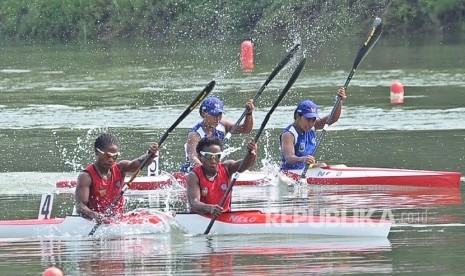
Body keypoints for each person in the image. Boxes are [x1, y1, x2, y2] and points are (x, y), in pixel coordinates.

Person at [75, 133, 159, 223]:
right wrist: (95, 216)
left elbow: (141, 162)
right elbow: (80, 207)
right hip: (95, 222)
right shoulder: (86, 177)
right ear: (96, 152)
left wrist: (149, 155)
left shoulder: (121, 168)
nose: (111, 160)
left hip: (117, 220)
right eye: (107, 156)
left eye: (114, 156)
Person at [180, 96, 254, 173]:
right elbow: (193, 158)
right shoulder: (195, 134)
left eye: (219, 114)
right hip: (192, 172)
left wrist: (249, 114)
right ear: (203, 113)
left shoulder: (222, 124)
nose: (217, 119)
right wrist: (214, 173)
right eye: (213, 115)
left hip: (213, 169)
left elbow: (246, 129)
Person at [186, 136, 257, 215]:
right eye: (209, 156)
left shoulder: (227, 167)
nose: (213, 161)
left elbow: (245, 164)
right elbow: (194, 203)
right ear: (200, 157)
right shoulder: (194, 176)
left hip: (224, 215)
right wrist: (210, 208)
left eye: (217, 156)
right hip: (202, 216)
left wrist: (252, 153)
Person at [280, 87, 347, 170]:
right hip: (291, 172)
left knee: (342, 167)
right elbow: (289, 158)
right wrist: (303, 159)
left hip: (306, 168)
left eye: (313, 120)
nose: (310, 124)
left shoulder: (312, 126)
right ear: (298, 116)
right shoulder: (289, 134)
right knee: (322, 165)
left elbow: (333, 118)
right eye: (308, 119)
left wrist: (339, 101)